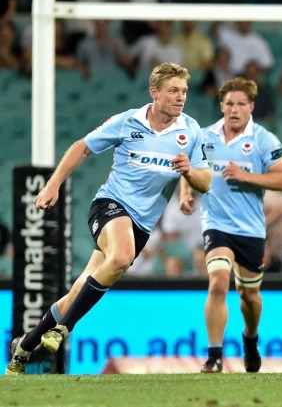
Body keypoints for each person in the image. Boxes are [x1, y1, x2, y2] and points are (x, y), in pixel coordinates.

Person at [6, 62, 211, 375]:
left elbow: (206, 181)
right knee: (122, 256)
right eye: (173, 90)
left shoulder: (191, 131)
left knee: (80, 289)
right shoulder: (127, 121)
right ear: (154, 92)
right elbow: (82, 147)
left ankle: (25, 345)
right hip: (110, 204)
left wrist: (189, 172)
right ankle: (63, 329)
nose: (180, 96)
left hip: (141, 225)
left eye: (184, 90)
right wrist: (53, 183)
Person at [179, 76, 282, 374]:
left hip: (251, 231)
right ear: (221, 106)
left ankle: (250, 338)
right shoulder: (204, 137)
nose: (234, 109)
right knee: (218, 282)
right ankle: (215, 356)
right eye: (229, 103)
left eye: (240, 104)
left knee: (249, 298)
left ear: (251, 107)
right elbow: (188, 167)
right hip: (216, 224)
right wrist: (186, 192)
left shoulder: (263, 140)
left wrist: (247, 176)